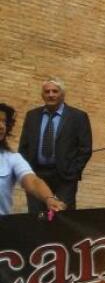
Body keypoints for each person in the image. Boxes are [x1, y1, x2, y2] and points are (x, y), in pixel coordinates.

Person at [18, 78, 91, 212]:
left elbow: (85, 148)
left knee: (63, 216)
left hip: (64, 176)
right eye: (47, 91)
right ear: (42, 95)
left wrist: (74, 171)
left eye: (55, 91)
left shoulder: (78, 116)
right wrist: (26, 170)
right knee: (36, 216)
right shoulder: (32, 116)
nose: (51, 95)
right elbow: (24, 146)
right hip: (36, 174)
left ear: (62, 94)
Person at [1, 103, 68, 219]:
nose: (1, 126)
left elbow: (33, 181)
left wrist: (49, 198)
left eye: (4, 122)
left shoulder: (12, 158)